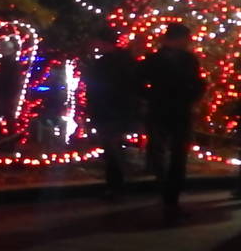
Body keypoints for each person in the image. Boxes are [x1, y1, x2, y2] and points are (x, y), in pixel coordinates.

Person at [141, 22, 205, 223]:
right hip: (170, 110)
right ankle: (169, 195)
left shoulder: (182, 59)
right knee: (171, 154)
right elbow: (138, 81)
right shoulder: (161, 60)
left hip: (170, 110)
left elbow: (138, 82)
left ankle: (169, 196)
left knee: (171, 154)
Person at [81, 29, 140, 197]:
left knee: (112, 148)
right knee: (115, 147)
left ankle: (117, 184)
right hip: (120, 109)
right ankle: (119, 182)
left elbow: (97, 88)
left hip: (108, 111)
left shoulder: (105, 63)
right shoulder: (127, 60)